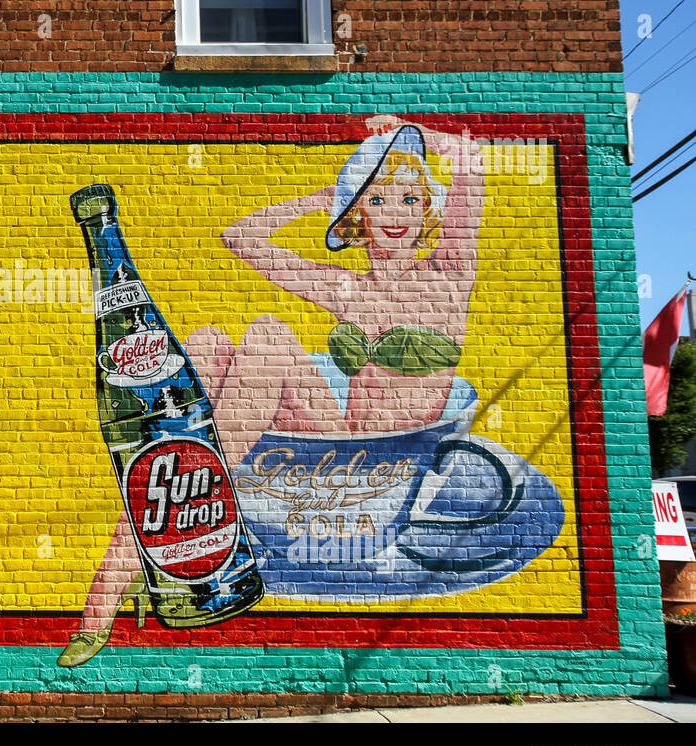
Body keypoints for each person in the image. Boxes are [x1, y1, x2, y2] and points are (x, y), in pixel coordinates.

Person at [58, 116, 487, 667]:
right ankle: (173, 514)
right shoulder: (346, 287)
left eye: (410, 198)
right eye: (377, 202)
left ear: (429, 207)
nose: (395, 214)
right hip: (341, 438)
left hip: (373, 466)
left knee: (264, 333)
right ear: (357, 215)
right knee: (207, 345)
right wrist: (322, 197)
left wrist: (411, 132)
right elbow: (240, 238)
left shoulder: (448, 275)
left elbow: (473, 162)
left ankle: (126, 570)